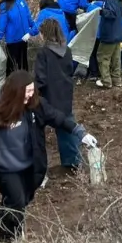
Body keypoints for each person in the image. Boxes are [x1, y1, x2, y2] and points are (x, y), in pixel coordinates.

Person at [0, 70, 97, 242]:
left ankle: (2, 213)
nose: (31, 95)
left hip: (30, 167)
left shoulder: (36, 107)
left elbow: (59, 118)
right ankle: (8, 241)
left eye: (32, 91)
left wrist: (80, 133)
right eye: (27, 92)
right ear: (14, 93)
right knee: (17, 203)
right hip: (4, 169)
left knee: (21, 202)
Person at [32, 19, 81, 172]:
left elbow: (41, 79)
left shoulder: (43, 53)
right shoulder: (67, 50)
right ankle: (72, 162)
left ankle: (36, 165)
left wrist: (33, 95)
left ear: (45, 34)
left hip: (47, 97)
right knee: (66, 127)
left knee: (35, 130)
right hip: (65, 94)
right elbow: (69, 71)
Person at [94, 0, 122, 88]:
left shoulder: (108, 0)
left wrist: (101, 11)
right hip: (117, 33)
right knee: (116, 58)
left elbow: (112, 14)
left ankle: (106, 81)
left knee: (102, 56)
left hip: (109, 35)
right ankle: (117, 80)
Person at [0, 0, 32, 75]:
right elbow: (2, 22)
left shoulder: (21, 1)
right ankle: (10, 81)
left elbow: (28, 15)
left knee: (23, 61)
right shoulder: (5, 5)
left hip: (24, 36)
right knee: (12, 63)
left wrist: (32, 27)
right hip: (12, 39)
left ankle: (24, 80)